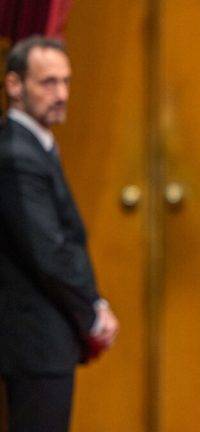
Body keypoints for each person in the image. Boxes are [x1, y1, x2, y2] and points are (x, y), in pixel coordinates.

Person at [0, 36, 119, 432]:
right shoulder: (17, 153)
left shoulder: (36, 145)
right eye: (48, 83)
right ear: (14, 85)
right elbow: (47, 251)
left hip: (45, 337)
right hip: (33, 342)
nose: (62, 94)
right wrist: (93, 314)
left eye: (66, 82)